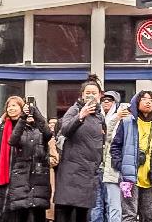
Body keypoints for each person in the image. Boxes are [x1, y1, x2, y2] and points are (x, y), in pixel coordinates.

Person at [57, 79, 110, 222]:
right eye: (88, 93)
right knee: (66, 210)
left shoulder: (100, 115)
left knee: (83, 213)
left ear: (100, 95)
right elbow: (65, 130)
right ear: (82, 95)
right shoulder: (74, 110)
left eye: (94, 93)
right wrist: (81, 115)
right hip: (71, 171)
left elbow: (102, 140)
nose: (91, 95)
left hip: (89, 172)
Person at [111, 91, 152, 222]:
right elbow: (115, 147)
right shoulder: (126, 122)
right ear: (137, 102)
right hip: (130, 177)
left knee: (150, 216)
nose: (148, 102)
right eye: (144, 99)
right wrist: (121, 166)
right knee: (129, 216)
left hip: (149, 177)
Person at [91, 92, 126, 222]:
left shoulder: (120, 118)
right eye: (104, 100)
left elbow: (111, 138)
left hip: (112, 168)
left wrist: (116, 117)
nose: (106, 102)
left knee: (113, 204)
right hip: (95, 167)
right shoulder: (94, 115)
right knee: (96, 204)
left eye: (110, 100)